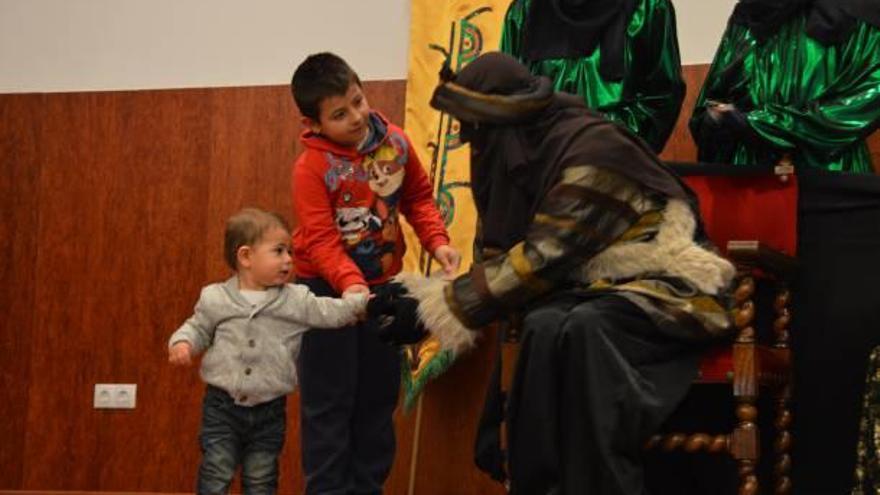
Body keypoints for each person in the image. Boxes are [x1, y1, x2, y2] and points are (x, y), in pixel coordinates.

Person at [386, 52, 735, 495]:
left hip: (663, 287)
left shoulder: (591, 152)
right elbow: (500, 257)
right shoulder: (527, 152)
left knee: (585, 327)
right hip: (587, 289)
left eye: (474, 127)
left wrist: (436, 307)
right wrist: (419, 302)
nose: (468, 138)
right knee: (545, 324)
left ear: (503, 121)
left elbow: (544, 254)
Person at [289, 52, 459, 495]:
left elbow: (419, 198)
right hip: (325, 293)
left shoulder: (397, 144)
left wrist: (437, 241)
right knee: (329, 403)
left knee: (377, 400)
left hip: (382, 290)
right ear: (314, 123)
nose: (356, 117)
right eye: (340, 114)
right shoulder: (311, 168)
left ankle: (367, 488)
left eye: (358, 101)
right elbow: (322, 240)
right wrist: (350, 288)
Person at [167, 207, 367, 495]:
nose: (288, 260)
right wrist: (182, 343)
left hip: (270, 411)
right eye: (279, 251)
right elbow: (197, 327)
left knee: (261, 479)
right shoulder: (215, 297)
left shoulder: (295, 300)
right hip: (221, 407)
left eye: (290, 252)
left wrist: (359, 303)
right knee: (216, 471)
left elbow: (328, 312)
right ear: (246, 257)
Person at [690, 0, 880, 173]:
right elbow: (714, 96)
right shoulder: (751, 10)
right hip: (748, 174)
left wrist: (770, 126)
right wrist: (716, 119)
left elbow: (868, 98)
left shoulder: (860, 10)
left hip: (826, 172)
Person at [500, 0, 685, 153]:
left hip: (620, 166)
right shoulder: (526, 9)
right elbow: (510, 96)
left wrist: (607, 137)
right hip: (546, 166)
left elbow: (663, 95)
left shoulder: (647, 7)